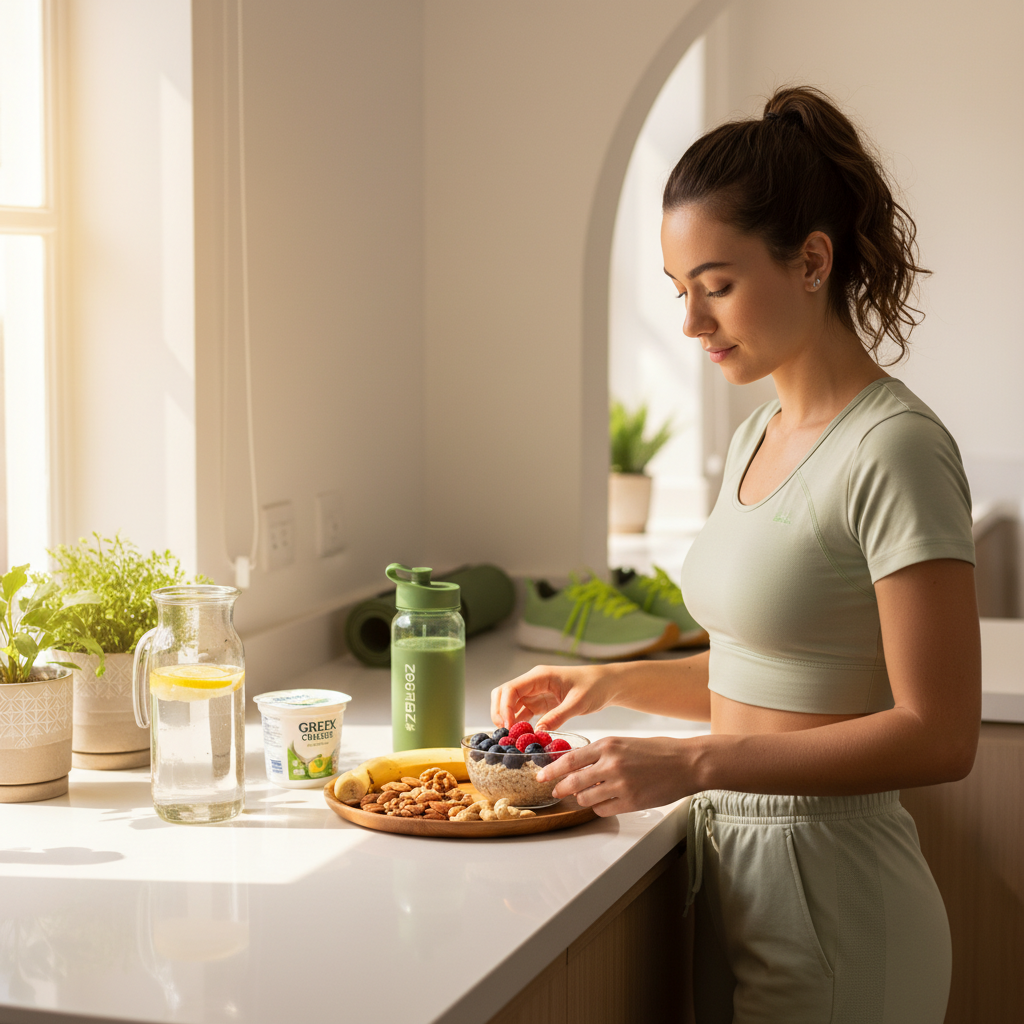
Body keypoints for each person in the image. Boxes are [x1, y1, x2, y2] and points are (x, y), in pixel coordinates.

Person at [490, 86, 980, 1023]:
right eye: (680, 292)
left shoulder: (897, 449)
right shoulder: (757, 435)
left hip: (836, 894)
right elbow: (781, 675)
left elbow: (940, 733)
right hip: (733, 874)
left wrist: (697, 765)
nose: (691, 323)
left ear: (811, 262)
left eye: (715, 285)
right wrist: (615, 685)